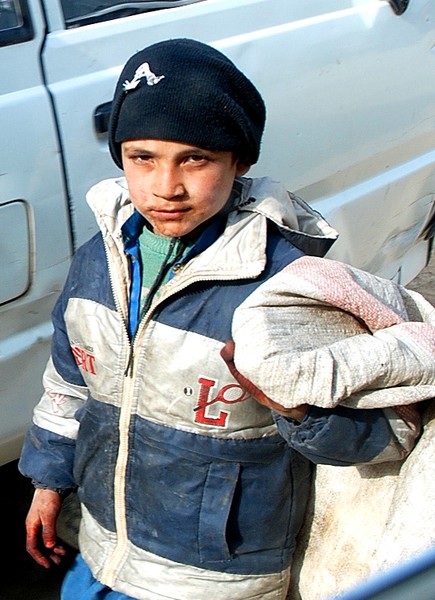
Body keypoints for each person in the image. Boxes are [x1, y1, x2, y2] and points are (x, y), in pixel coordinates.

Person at [18, 38, 424, 600]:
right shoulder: (98, 258)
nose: (166, 187)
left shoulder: (289, 287)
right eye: (143, 158)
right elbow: (68, 382)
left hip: (217, 576)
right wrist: (48, 480)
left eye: (195, 158)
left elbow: (388, 439)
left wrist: (298, 409)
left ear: (241, 160)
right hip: (104, 551)